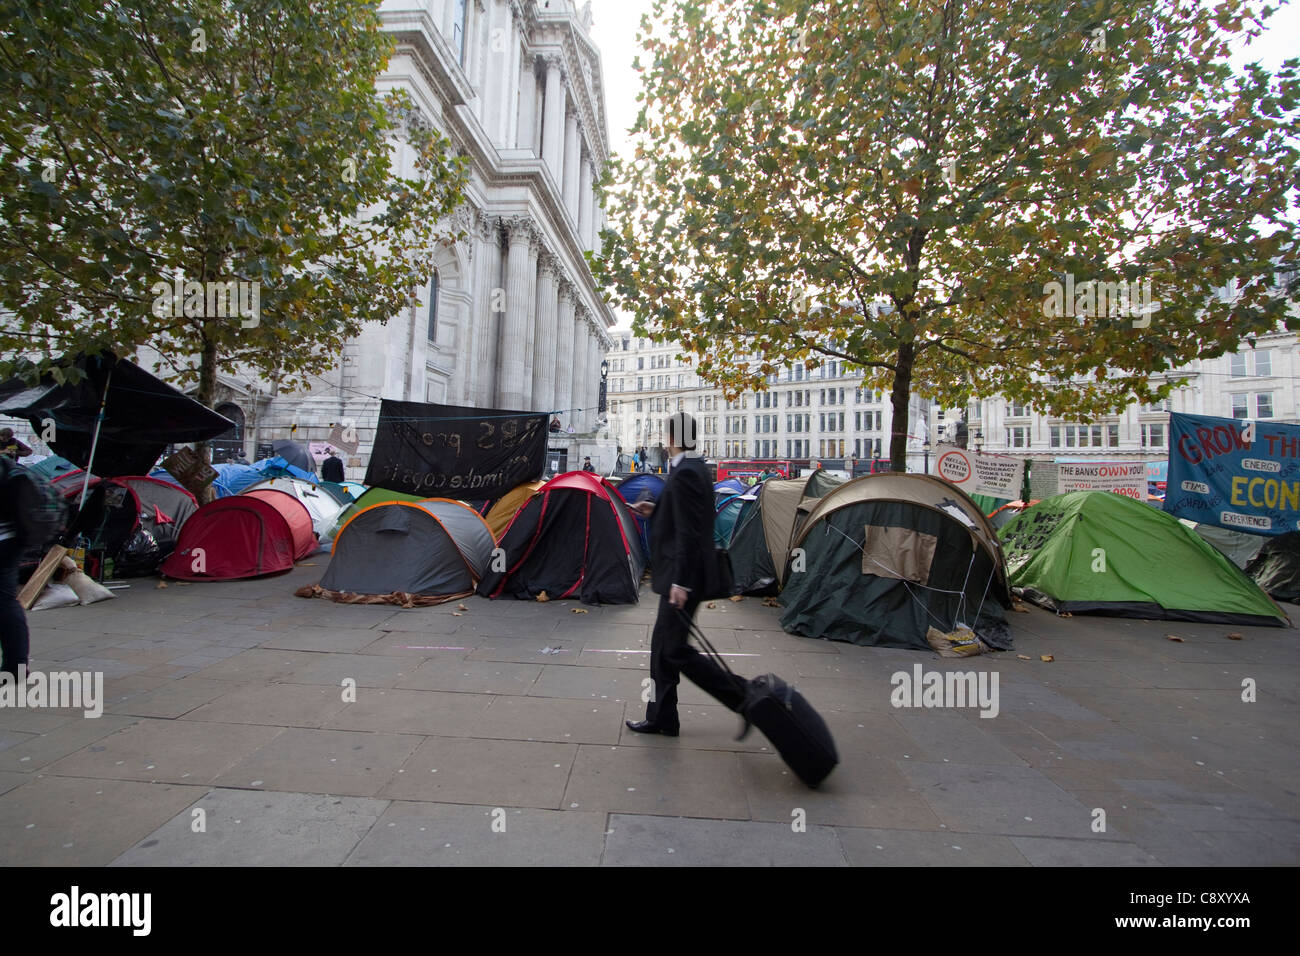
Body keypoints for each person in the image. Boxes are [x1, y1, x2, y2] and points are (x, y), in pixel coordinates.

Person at [626, 412, 748, 736]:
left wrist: (679, 581)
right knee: (663, 650)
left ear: (672, 440)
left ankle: (743, 698)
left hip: (683, 579)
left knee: (672, 651)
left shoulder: (687, 474)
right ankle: (662, 717)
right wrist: (655, 511)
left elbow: (690, 534)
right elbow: (685, 519)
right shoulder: (692, 469)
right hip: (684, 576)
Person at [0, 456, 30, 678]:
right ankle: (16, 667)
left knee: (5, 604)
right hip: (12, 539)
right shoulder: (5, 464)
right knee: (7, 604)